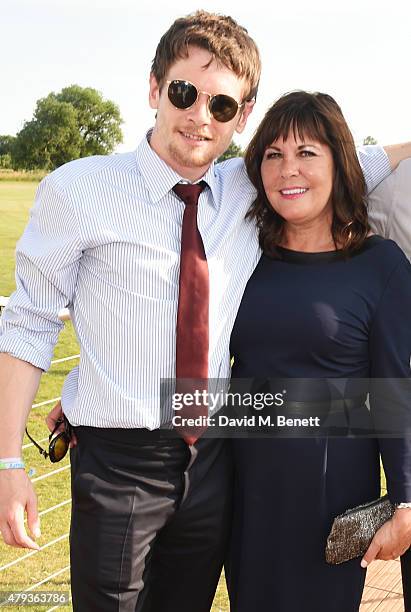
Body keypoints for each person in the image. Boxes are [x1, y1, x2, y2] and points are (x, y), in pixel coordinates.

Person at [0, 10, 409, 612]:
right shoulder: (79, 188)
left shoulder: (248, 192)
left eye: (221, 105)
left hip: (218, 460)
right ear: (153, 89)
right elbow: (31, 321)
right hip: (122, 464)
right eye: (185, 93)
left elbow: (352, 159)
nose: (199, 116)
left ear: (239, 116)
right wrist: (12, 455)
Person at [226, 91, 411, 612]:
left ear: (339, 162)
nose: (289, 170)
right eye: (273, 154)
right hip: (245, 487)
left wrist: (406, 499)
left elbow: (393, 390)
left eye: (307, 152)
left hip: (333, 497)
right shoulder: (242, 254)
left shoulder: (381, 266)